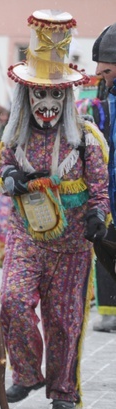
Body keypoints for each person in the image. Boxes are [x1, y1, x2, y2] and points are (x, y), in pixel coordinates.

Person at [0, 10, 108, 409]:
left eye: (56, 95)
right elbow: (1, 172)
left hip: (73, 244)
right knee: (12, 301)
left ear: (68, 98)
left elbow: (99, 187)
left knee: (65, 319)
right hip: (27, 237)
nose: (47, 103)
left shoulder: (86, 139)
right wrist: (12, 177)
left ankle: (63, 389)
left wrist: (98, 215)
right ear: (26, 97)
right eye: (39, 94)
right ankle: (26, 373)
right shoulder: (15, 134)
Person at [90, 21, 116, 333]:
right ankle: (109, 310)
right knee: (106, 248)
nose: (102, 79)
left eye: (107, 72)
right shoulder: (103, 101)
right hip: (108, 191)